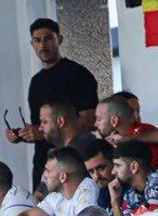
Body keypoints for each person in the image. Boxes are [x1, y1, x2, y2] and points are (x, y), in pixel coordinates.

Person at [9, 18, 99, 188]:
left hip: (76, 156)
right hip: (44, 160)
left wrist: (43, 132)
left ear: (60, 39)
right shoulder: (36, 81)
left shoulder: (77, 74)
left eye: (48, 38)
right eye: (37, 40)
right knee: (44, 208)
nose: (43, 45)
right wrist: (23, 134)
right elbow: (40, 127)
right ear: (32, 44)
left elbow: (90, 119)